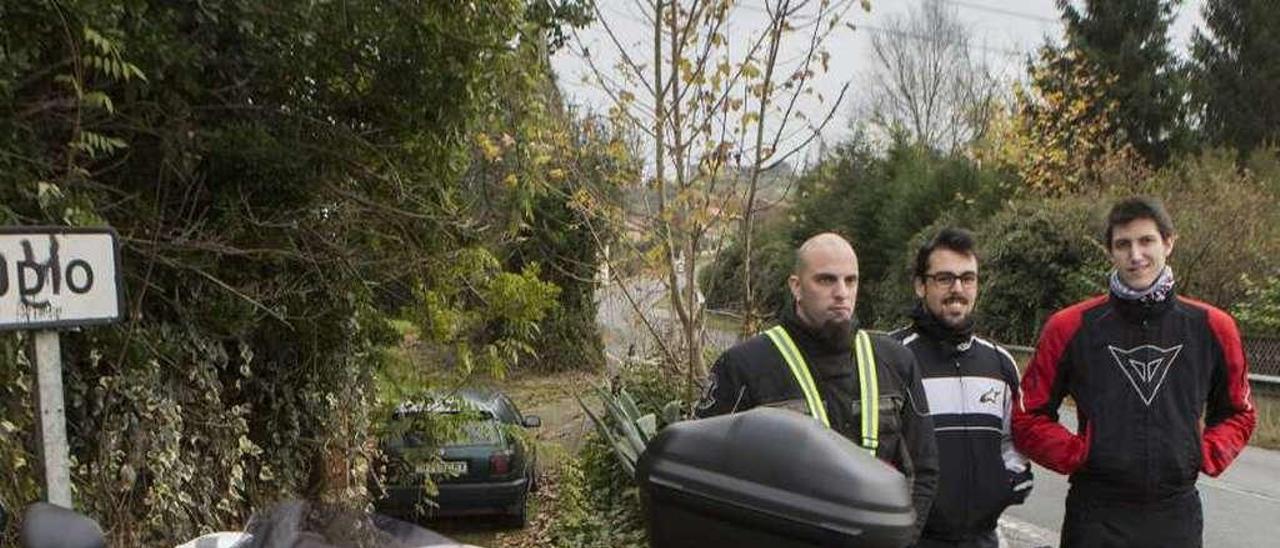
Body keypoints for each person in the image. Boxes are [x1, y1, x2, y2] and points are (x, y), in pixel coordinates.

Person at [1012, 196, 1256, 548]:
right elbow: (1027, 415)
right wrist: (1078, 453)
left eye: (1146, 241)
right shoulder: (1070, 327)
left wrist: (1204, 452)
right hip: (1095, 515)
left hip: (1176, 515)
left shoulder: (1213, 327)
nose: (1135, 255)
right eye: (1123, 244)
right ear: (1110, 251)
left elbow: (1239, 411)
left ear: (1169, 242)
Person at [695, 232, 939, 543]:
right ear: (796, 286)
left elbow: (923, 469)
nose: (842, 293)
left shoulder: (896, 362)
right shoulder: (743, 366)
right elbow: (706, 477)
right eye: (826, 280)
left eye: (851, 281)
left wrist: (901, 540)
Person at [890, 228, 1032, 548]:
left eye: (968, 278)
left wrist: (1007, 484)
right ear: (920, 285)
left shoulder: (1000, 363)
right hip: (911, 539)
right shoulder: (891, 357)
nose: (958, 289)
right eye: (944, 278)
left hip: (982, 538)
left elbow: (1014, 441)